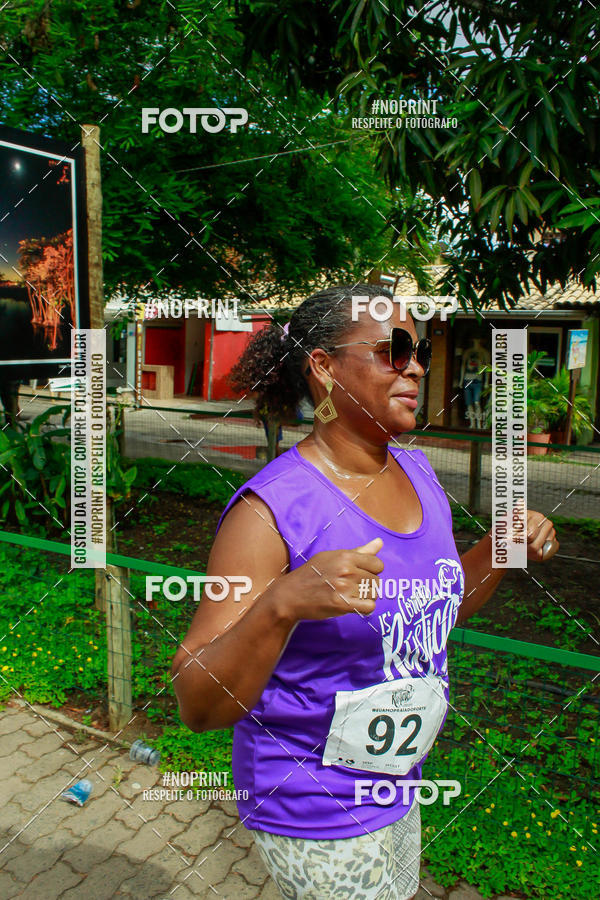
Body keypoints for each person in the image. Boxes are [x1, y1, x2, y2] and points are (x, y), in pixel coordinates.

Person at [170, 284, 558, 900]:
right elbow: (198, 701)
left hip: (398, 781)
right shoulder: (270, 512)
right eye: (393, 349)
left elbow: (432, 616)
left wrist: (501, 550)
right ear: (323, 369)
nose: (416, 365)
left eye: (421, 349)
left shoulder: (419, 471)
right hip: (311, 799)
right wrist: (282, 604)